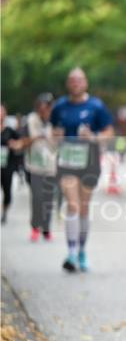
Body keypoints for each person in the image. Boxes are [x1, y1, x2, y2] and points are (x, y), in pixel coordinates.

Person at [51, 68, 115, 272]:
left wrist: (94, 137)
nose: (76, 83)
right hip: (67, 160)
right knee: (73, 205)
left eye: (79, 80)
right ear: (68, 84)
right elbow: (52, 131)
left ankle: (81, 251)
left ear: (85, 83)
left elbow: (109, 132)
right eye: (72, 80)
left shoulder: (96, 106)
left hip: (89, 161)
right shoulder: (60, 106)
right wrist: (57, 135)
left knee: (84, 208)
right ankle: (71, 252)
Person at [24, 93, 58, 240]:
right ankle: (35, 227)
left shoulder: (55, 121)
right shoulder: (31, 119)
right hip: (34, 165)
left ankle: (46, 228)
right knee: (37, 197)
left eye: (47, 106)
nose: (44, 109)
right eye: (42, 106)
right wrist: (39, 136)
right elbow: (27, 138)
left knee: (48, 199)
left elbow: (58, 142)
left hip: (51, 166)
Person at [1, 103, 23, 224]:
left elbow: (21, 143)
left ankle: (5, 211)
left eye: (1, 111)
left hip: (7, 164)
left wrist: (14, 145)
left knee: (7, 190)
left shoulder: (10, 131)